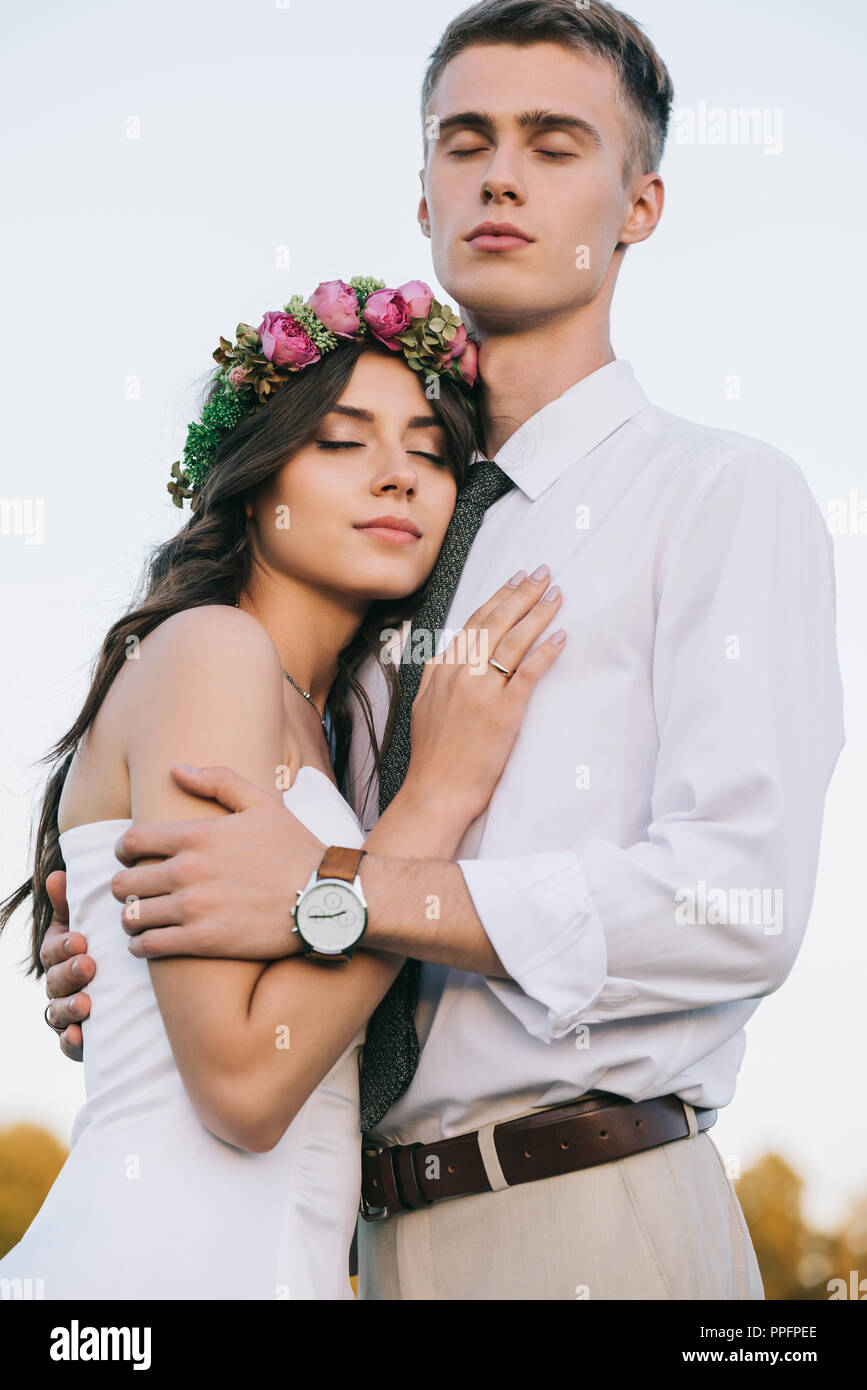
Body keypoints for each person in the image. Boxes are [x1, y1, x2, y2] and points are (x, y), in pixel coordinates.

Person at [40, 0, 844, 1301]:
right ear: (421, 194)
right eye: (463, 140)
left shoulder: (718, 494)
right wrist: (128, 969)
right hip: (343, 1234)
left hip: (588, 1203)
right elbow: (244, 968)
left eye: (552, 140)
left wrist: (344, 886)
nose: (501, 173)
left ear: (638, 205)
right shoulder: (363, 561)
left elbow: (732, 903)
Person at [0, 272, 566, 1298]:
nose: (396, 475)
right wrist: (433, 800)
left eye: (431, 452)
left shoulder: (330, 716)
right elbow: (244, 1085)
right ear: (258, 479)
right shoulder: (214, 651)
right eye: (343, 441)